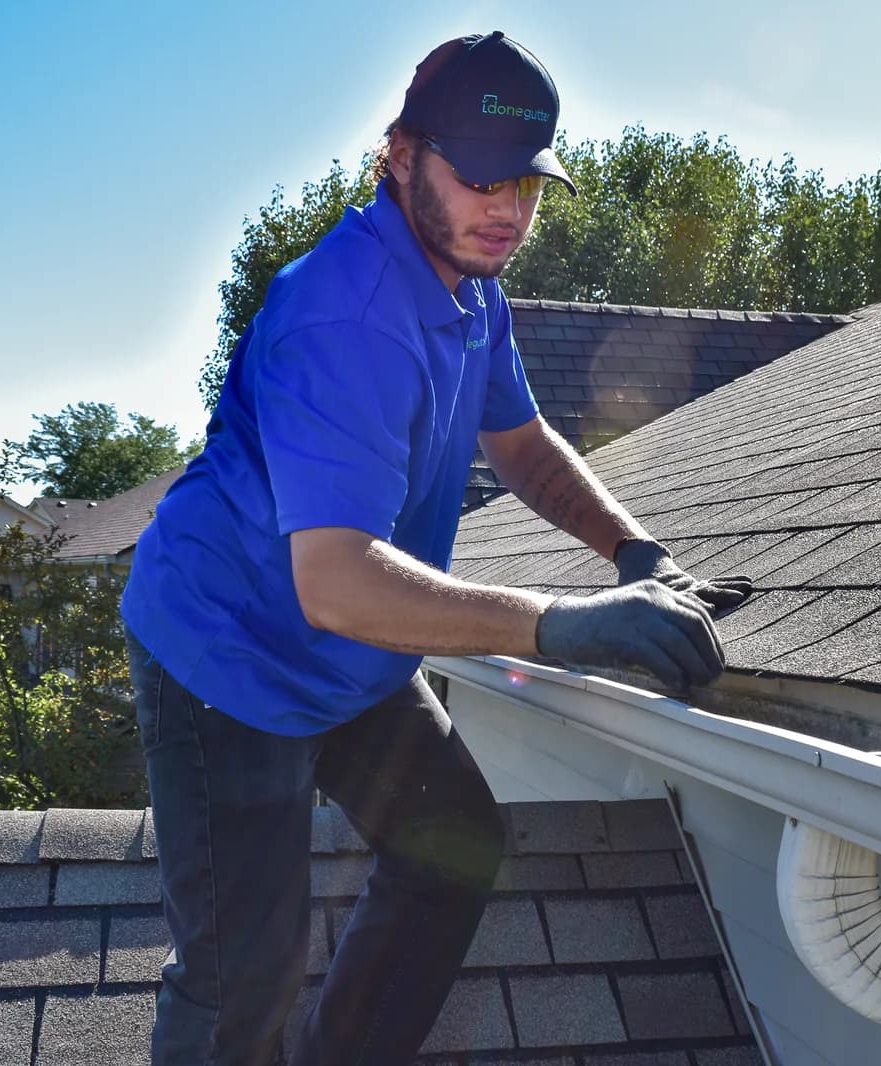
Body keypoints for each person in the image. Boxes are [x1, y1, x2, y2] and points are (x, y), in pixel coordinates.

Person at [120, 30, 751, 1066]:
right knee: (242, 979)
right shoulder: (345, 316)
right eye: (481, 177)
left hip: (353, 655)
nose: (509, 209)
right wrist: (561, 622)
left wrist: (635, 554)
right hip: (224, 657)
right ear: (403, 156)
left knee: (452, 852)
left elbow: (526, 449)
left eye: (528, 184)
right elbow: (335, 582)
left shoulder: (468, 289)